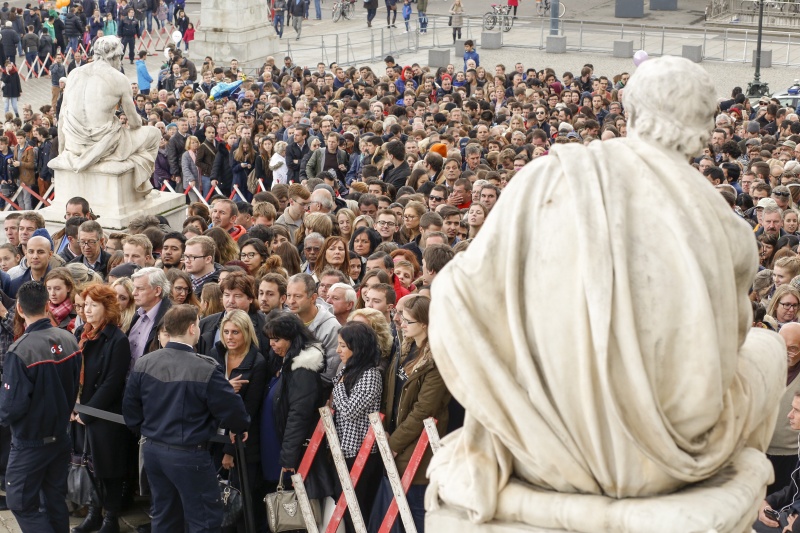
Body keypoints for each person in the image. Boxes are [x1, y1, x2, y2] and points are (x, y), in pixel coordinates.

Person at [123, 304, 250, 533]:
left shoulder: (145, 362)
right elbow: (233, 410)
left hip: (153, 449)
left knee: (164, 516)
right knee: (204, 520)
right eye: (198, 325)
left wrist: (151, 431)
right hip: (189, 453)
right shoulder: (205, 368)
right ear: (192, 328)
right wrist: (239, 427)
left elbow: (131, 411)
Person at [0, 281, 81, 533]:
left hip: (30, 442)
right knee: (54, 499)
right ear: (47, 305)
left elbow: (11, 407)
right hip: (60, 437)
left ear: (19, 309)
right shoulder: (69, 339)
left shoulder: (20, 350)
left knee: (20, 502)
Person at [369, 295, 449, 532]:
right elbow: (391, 392)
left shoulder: (437, 360)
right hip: (397, 435)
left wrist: (394, 442)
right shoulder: (406, 349)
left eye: (408, 321)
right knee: (395, 509)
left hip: (418, 445)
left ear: (424, 324)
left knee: (415, 508)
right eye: (401, 318)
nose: (401, 323)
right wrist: (386, 430)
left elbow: (425, 409)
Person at [71, 284, 132, 533]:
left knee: (109, 468)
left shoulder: (118, 339)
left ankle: (111, 518)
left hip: (105, 415)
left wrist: (87, 413)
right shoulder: (81, 334)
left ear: (107, 308)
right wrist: (73, 407)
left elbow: (112, 383)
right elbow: (72, 373)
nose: (87, 310)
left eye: (93, 305)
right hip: (80, 410)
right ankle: (94, 513)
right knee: (88, 465)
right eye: (85, 305)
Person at [264, 313, 334, 507]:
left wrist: (288, 456)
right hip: (282, 445)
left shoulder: (303, 369)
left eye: (277, 339)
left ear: (292, 339)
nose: (271, 344)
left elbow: (299, 415)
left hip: (297, 452)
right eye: (270, 339)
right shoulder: (287, 361)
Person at [209, 309, 268, 532]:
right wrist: (226, 389)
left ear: (246, 332)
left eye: (235, 332)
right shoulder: (215, 354)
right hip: (212, 435)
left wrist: (230, 451)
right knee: (215, 496)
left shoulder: (257, 362)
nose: (230, 337)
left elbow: (250, 410)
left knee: (238, 499)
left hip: (241, 442)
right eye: (226, 332)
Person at [332, 322, 383, 533]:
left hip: (360, 451)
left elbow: (349, 410)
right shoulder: (348, 370)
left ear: (358, 347)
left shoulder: (371, 374)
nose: (338, 350)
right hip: (343, 449)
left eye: (343, 345)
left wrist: (338, 387)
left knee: (357, 509)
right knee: (344, 507)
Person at [756, 390, 800, 532]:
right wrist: (767, 502)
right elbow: (795, 488)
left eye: (797, 411)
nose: (789, 415)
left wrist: (796, 526)